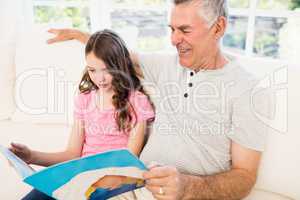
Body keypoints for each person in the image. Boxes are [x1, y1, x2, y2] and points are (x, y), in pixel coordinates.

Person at [47, 0, 273, 199]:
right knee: (42, 193)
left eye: (185, 30)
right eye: (172, 29)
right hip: (130, 183)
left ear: (219, 27)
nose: (174, 39)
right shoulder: (167, 65)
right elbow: (116, 56)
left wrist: (187, 187)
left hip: (179, 195)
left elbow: (245, 177)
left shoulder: (247, 90)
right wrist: (80, 36)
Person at [10, 30, 155, 200]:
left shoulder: (137, 102)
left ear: (121, 65)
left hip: (112, 181)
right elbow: (72, 154)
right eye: (92, 70)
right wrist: (31, 156)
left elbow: (129, 160)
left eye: (106, 70)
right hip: (80, 177)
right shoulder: (84, 100)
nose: (100, 78)